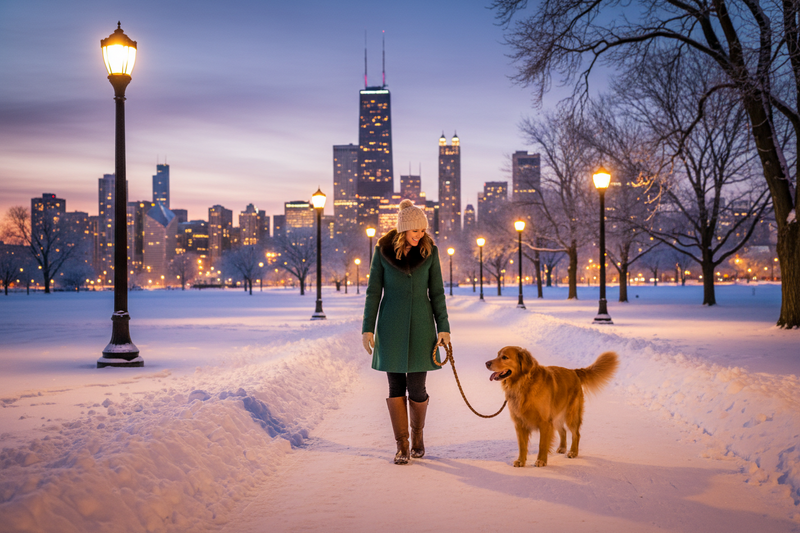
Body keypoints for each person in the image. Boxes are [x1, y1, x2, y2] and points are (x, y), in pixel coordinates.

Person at [362, 199, 450, 465]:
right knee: (396, 386)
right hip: (391, 326)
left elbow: (437, 293)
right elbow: (373, 292)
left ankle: (417, 436)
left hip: (422, 326)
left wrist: (444, 328)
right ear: (403, 230)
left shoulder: (430, 251)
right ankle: (402, 445)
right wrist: (367, 328)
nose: (419, 235)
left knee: (418, 388)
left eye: (423, 230)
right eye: (415, 230)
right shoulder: (382, 251)